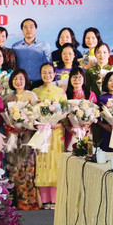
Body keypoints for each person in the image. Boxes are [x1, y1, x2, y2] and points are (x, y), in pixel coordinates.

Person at [3, 68, 39, 210]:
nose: (18, 82)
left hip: (27, 136)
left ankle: (28, 201)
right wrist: (12, 126)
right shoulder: (8, 98)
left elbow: (36, 117)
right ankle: (16, 200)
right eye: (15, 79)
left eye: (21, 79)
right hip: (13, 136)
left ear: (26, 81)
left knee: (27, 167)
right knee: (13, 167)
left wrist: (25, 125)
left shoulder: (32, 96)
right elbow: (5, 117)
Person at [32, 63, 66, 209]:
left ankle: (56, 200)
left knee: (56, 163)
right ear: (40, 74)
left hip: (56, 132)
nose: (47, 75)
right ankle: (44, 199)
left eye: (50, 72)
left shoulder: (60, 92)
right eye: (44, 72)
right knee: (42, 163)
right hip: (41, 133)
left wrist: (59, 124)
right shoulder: (35, 92)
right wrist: (38, 124)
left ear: (54, 74)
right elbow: (31, 113)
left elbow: (66, 112)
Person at [64, 67, 97, 150]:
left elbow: (95, 112)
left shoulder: (90, 94)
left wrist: (87, 124)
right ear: (70, 79)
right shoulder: (65, 95)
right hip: (70, 130)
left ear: (84, 78)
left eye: (79, 77)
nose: (77, 79)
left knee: (87, 154)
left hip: (86, 130)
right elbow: (62, 114)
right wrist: (68, 128)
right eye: (74, 77)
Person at [11, 18, 49, 84]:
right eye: (25, 27)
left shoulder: (44, 46)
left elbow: (49, 65)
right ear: (22, 30)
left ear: (36, 29)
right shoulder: (15, 47)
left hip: (40, 83)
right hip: (21, 83)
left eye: (31, 27)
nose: (28, 29)